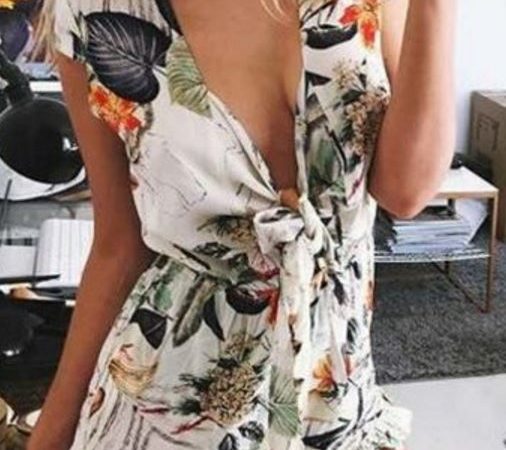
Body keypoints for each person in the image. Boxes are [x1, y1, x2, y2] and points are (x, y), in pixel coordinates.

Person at [27, 0, 456, 448]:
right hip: (167, 413)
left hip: (336, 404)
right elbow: (119, 246)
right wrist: (51, 434)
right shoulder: (94, 12)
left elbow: (404, 192)